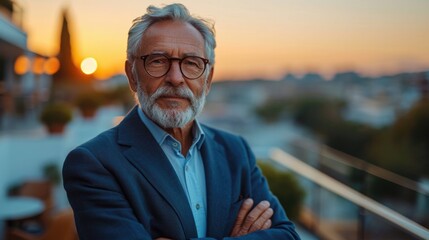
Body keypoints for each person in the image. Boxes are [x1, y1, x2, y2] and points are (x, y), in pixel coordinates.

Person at [63, 3, 300, 240]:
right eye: (157, 61)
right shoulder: (94, 163)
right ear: (132, 75)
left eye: (191, 63)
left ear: (207, 81)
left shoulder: (235, 150)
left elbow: (287, 235)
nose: (176, 78)